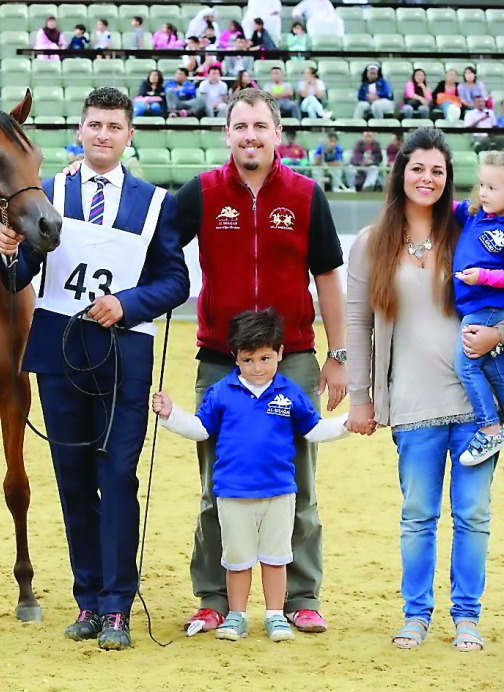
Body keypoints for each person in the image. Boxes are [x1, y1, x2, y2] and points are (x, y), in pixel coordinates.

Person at [0, 86, 189, 650]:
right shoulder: (46, 194)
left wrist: (128, 303)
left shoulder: (156, 203)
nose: (103, 135)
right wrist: (8, 251)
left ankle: (118, 607)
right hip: (60, 351)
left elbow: (175, 281)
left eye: (114, 127)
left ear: (129, 135)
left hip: (124, 355)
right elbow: (19, 276)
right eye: (94, 125)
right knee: (74, 483)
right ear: (79, 131)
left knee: (117, 477)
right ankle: (88, 599)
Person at [176, 90, 347, 636]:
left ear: (278, 133)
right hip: (219, 363)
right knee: (215, 486)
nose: (250, 135)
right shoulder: (200, 192)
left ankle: (300, 596)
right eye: (240, 125)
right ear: (227, 134)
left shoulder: (305, 194)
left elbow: (327, 277)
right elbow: (156, 250)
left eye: (260, 126)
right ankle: (212, 597)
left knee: (297, 482)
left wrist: (337, 354)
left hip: (292, 358)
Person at [346, 127, 495, 653]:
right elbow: (357, 320)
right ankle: (416, 615)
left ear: (449, 178)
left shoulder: (472, 233)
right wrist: (362, 396)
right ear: (400, 174)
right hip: (411, 403)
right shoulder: (371, 243)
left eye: (437, 170)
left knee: (473, 514)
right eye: (417, 168)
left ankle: (467, 617)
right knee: (418, 515)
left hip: (478, 405)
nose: (427, 178)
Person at [154, 308, 347, 642]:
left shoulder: (290, 392)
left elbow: (314, 430)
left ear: (280, 354)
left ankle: (275, 615)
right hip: (232, 494)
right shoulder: (221, 392)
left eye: (265, 358)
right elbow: (200, 429)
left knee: (276, 558)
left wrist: (350, 424)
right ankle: (237, 615)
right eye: (247, 360)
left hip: (279, 493)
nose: (257, 368)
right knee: (237, 560)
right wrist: (171, 415)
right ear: (235, 358)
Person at [451, 153, 504, 464]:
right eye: (482, 184)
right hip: (475, 306)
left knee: (467, 366)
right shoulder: (473, 214)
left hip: (489, 306)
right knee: (493, 367)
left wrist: (483, 276)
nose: (484, 192)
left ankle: (490, 428)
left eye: (493, 188)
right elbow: (443, 205)